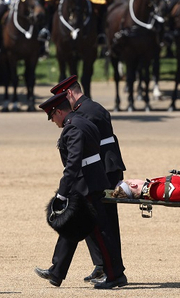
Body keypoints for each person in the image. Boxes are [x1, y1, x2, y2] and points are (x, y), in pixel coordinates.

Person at [35, 92, 127, 289]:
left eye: (53, 117)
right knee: (73, 225)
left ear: (59, 112)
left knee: (101, 231)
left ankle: (115, 275)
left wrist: (62, 193)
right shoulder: (83, 122)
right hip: (91, 181)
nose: (54, 122)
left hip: (86, 184)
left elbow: (73, 163)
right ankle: (57, 272)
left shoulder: (73, 128)